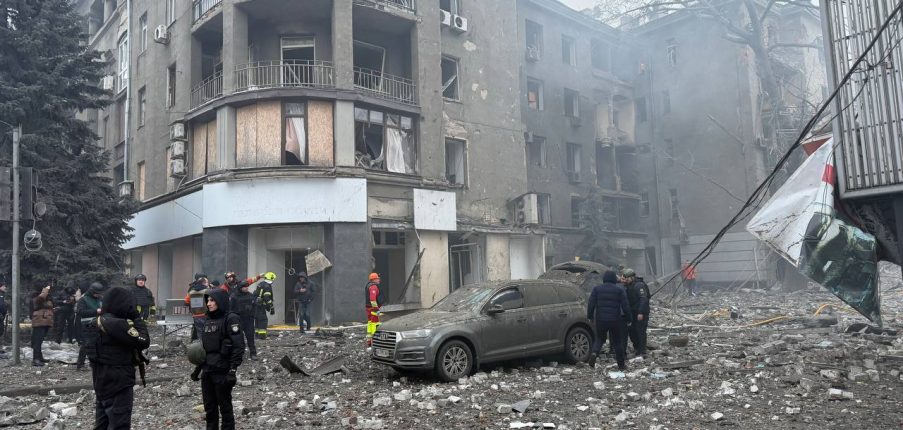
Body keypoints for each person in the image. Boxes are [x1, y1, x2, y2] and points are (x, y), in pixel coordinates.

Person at [83, 286, 150, 429]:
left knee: (102, 424)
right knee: (119, 424)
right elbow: (144, 340)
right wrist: (136, 317)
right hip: (119, 382)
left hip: (100, 380)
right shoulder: (117, 324)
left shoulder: (95, 322)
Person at [191, 289, 244, 430]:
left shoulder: (231, 319)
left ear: (220, 301)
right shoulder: (208, 319)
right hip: (207, 370)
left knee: (225, 407)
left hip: (222, 370)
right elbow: (205, 348)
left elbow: (238, 346)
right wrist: (197, 369)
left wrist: (232, 370)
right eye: (208, 300)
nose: (209, 304)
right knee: (209, 408)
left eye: (212, 300)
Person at [586, 270, 632, 370]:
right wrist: (629, 319)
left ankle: (594, 353)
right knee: (617, 342)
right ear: (614, 279)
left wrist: (590, 316)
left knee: (599, 339)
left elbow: (591, 304)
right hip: (615, 320)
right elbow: (625, 306)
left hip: (601, 319)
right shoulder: (619, 290)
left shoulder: (597, 289)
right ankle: (621, 365)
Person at [76, 282, 107, 370]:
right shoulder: (83, 299)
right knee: (87, 344)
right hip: (87, 324)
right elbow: (80, 312)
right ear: (92, 291)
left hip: (99, 323)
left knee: (98, 344)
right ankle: (80, 364)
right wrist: (96, 311)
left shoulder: (99, 299)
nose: (98, 295)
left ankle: (94, 363)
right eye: (96, 293)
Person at [621, 268, 650, 356]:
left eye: (627, 278)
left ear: (632, 277)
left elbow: (643, 299)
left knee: (640, 331)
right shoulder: (628, 285)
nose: (626, 280)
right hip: (632, 312)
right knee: (632, 331)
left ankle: (642, 350)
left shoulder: (639, 285)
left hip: (640, 313)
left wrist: (640, 312)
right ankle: (637, 348)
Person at [229, 280, 257, 360]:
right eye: (244, 287)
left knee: (250, 337)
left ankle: (253, 353)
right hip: (238, 320)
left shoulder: (250, 295)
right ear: (240, 288)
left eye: (247, 286)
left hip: (248, 320)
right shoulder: (234, 296)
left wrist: (252, 315)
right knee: (238, 338)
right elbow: (230, 309)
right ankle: (239, 354)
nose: (246, 288)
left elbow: (254, 306)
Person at [31, 285, 54, 366]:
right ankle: (36, 359)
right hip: (39, 321)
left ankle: (39, 357)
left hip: (45, 321)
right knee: (37, 341)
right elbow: (40, 299)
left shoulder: (46, 299)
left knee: (40, 341)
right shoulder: (37, 298)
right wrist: (46, 289)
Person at [185, 273, 210, 341]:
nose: (208, 283)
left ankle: (200, 343)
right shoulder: (207, 291)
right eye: (207, 282)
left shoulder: (191, 290)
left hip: (195, 314)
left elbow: (186, 302)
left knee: (199, 331)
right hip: (206, 314)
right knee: (207, 330)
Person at [365, 273, 385, 347]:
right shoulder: (373, 287)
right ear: (374, 279)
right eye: (377, 278)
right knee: (375, 324)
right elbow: (373, 299)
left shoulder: (368, 285)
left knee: (370, 324)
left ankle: (369, 341)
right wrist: (376, 309)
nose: (379, 280)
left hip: (368, 308)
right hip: (373, 309)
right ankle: (375, 341)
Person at [253, 272, 275, 340]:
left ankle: (256, 335)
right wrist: (271, 306)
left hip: (255, 305)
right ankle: (262, 336)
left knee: (257, 320)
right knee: (263, 320)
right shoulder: (267, 287)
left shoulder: (261, 284)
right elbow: (266, 298)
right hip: (261, 306)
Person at [0, 283, 7, 357]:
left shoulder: (2, 295)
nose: (5, 287)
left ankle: (0, 349)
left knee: (1, 333)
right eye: (3, 286)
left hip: (1, 318)